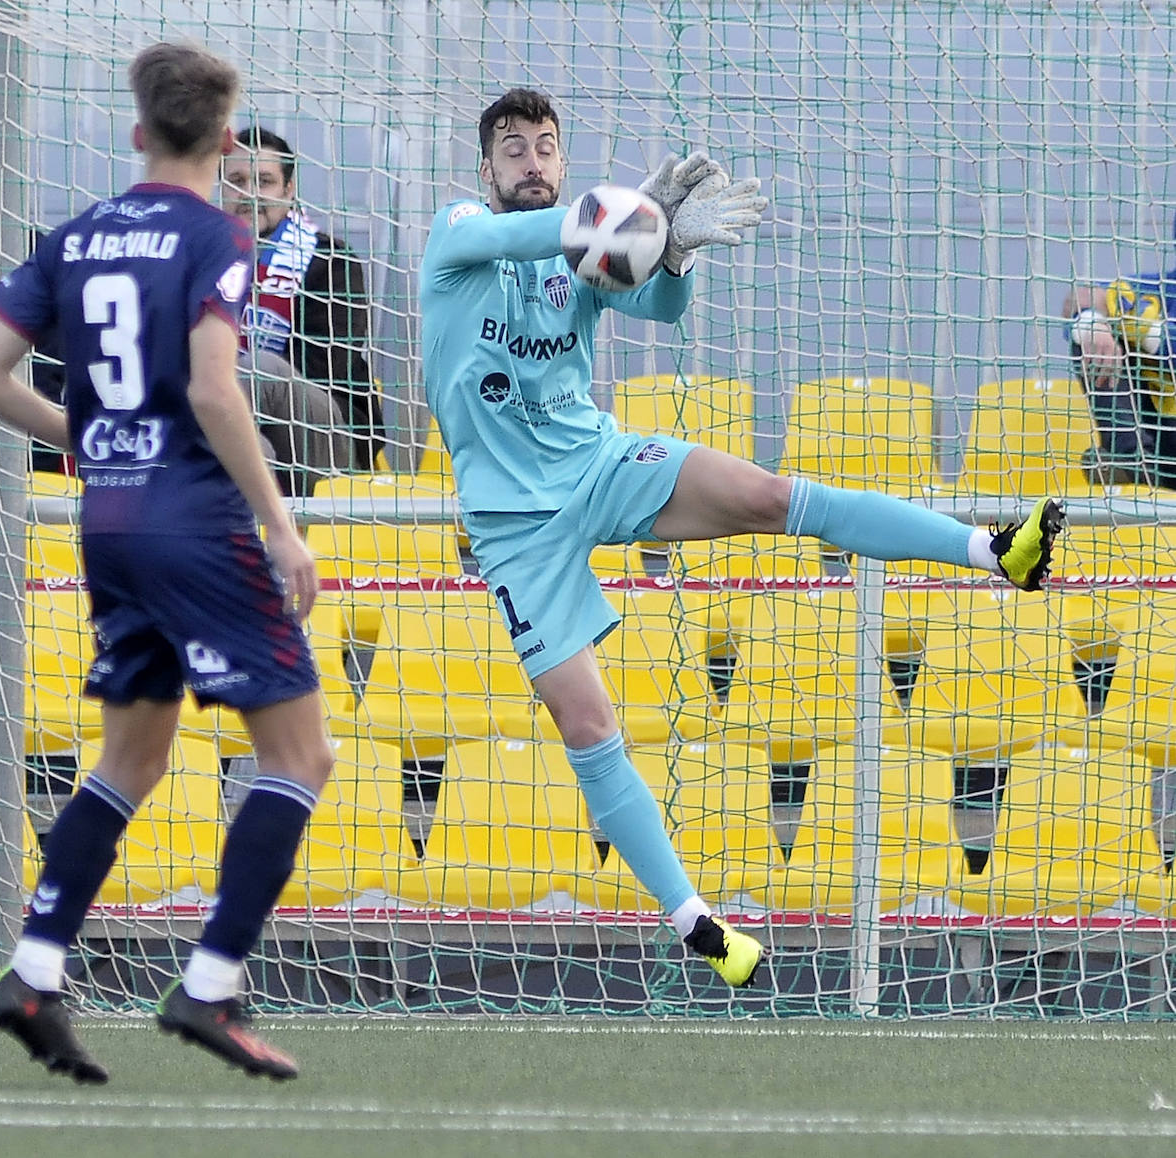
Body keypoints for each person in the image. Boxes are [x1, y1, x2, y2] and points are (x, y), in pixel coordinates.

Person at [420, 87, 1065, 989]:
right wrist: (626, 218)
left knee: (768, 494)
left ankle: (994, 551)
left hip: (599, 463)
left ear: (563, 162)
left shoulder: (582, 255)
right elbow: (524, 239)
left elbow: (664, 314)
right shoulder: (457, 235)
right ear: (485, 170)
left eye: (547, 147)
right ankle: (697, 924)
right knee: (587, 721)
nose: (531, 161)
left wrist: (669, 253)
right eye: (514, 149)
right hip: (513, 526)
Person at [0, 41, 333, 1083]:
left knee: (131, 759)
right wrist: (280, 522)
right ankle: (210, 987)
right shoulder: (219, 233)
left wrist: (80, 440)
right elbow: (216, 390)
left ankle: (33, 969)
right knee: (301, 759)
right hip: (192, 522)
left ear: (136, 133)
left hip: (110, 520)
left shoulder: (76, 236)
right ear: (225, 141)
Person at [222, 125, 384, 493]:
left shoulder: (329, 261)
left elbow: (326, 368)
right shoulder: (204, 259)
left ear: (288, 190)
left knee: (260, 370)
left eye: (264, 181)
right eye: (236, 180)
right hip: (244, 438)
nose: (249, 194)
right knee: (254, 450)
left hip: (324, 437)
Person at [1062, 254, 1176, 488]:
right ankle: (1132, 460)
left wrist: (1151, 335)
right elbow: (1081, 298)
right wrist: (1091, 322)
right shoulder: (1157, 288)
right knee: (1092, 334)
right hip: (1158, 442)